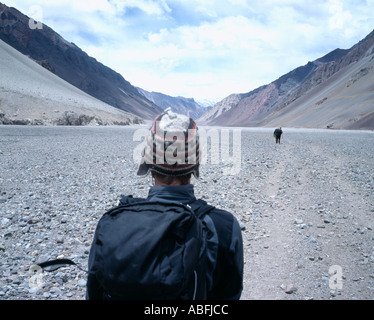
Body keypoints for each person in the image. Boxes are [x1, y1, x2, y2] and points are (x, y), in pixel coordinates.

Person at [86, 108, 244, 300]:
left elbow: (93, 294)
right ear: (196, 163)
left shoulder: (112, 224)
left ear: (149, 164)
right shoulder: (224, 227)